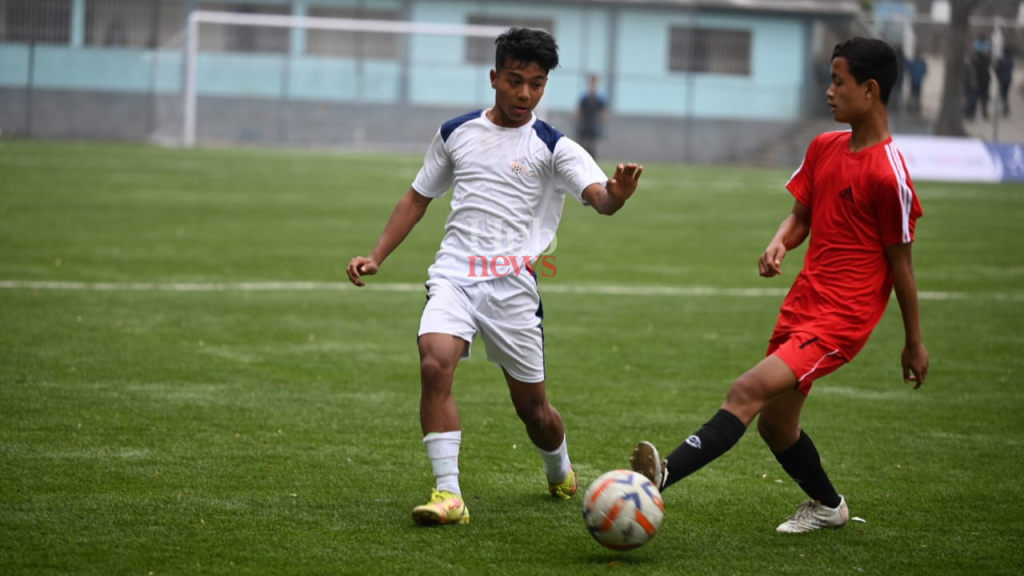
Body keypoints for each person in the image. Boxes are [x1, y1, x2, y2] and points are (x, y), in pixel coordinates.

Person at [629, 37, 928, 534]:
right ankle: (829, 506)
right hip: (803, 304)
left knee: (746, 390)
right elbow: (801, 214)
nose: (829, 92)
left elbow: (903, 266)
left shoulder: (890, 175)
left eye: (838, 81)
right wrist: (780, 242)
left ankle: (658, 479)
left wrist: (913, 341)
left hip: (841, 319)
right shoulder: (825, 147)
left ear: (870, 89)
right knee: (775, 425)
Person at [347, 27, 643, 526]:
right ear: (493, 78)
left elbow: (601, 200)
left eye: (536, 83)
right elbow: (417, 198)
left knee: (535, 413)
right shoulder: (455, 133)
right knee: (434, 362)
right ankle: (448, 494)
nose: (525, 94)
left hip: (513, 288)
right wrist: (377, 255)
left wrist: (618, 193)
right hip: (454, 275)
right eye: (514, 81)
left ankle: (559, 467)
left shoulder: (554, 145)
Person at [576, 74, 607, 159]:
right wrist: (577, 123)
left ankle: (592, 163)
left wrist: (603, 124)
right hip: (585, 124)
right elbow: (579, 111)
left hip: (594, 125)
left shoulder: (600, 98)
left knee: (593, 146)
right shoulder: (584, 97)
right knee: (584, 145)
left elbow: (602, 113)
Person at [906, 50, 927, 114]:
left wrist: (921, 76)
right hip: (913, 81)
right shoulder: (912, 62)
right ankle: (911, 108)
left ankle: (916, 108)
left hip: (918, 82)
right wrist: (911, 75)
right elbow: (908, 68)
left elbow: (924, 70)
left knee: (918, 95)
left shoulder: (921, 63)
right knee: (912, 95)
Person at [995, 47, 1014, 117]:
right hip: (1008, 79)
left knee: (1002, 94)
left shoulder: (1001, 60)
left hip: (1002, 79)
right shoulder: (1010, 60)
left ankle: (1005, 107)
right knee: (1005, 94)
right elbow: (1011, 69)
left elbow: (997, 69)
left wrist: (998, 76)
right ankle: (1006, 107)